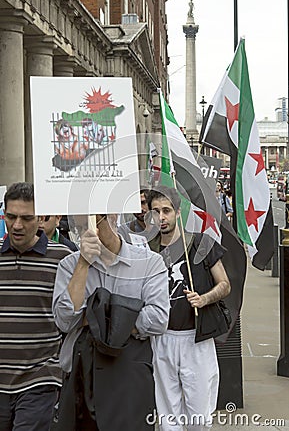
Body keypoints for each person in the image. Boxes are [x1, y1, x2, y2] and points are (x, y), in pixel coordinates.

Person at [52, 213, 169, 430]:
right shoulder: (70, 265)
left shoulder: (148, 263)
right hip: (82, 376)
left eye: (97, 220)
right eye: (81, 224)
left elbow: (158, 319)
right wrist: (83, 265)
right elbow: (65, 320)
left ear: (113, 216)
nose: (89, 230)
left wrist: (95, 317)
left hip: (129, 377)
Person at [147, 186, 231, 431]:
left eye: (166, 211)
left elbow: (225, 285)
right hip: (161, 338)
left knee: (199, 411)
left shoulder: (201, 242)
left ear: (178, 212)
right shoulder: (148, 249)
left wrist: (204, 299)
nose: (161, 217)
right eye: (155, 212)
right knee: (166, 413)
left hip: (196, 339)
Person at [0, 182, 72, 431]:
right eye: (11, 217)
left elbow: (73, 313)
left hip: (40, 379)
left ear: (41, 217)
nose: (17, 225)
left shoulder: (63, 258)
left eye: (26, 218)